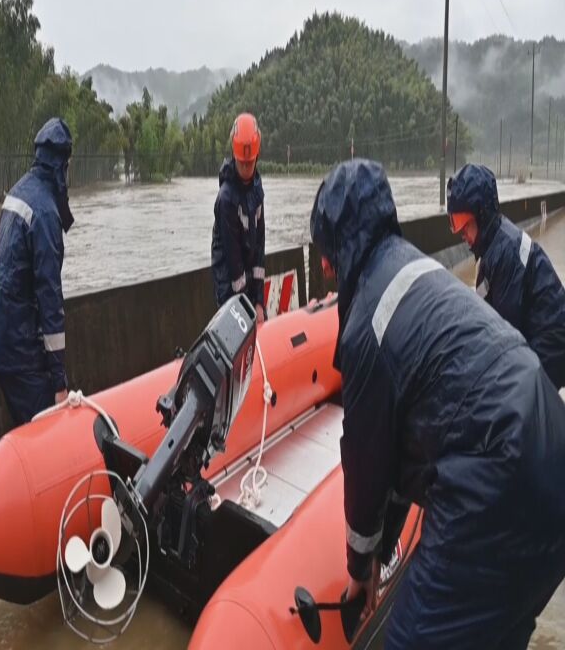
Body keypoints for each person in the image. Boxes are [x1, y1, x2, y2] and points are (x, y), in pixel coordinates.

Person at [309, 159, 565, 649]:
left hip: (497, 481)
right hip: (552, 461)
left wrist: (361, 567)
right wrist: (388, 549)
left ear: (346, 243)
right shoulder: (421, 272)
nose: (324, 266)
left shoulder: (367, 327)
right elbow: (414, 444)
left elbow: (367, 465)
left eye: (328, 250)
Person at [0, 118, 74, 426]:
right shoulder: (46, 213)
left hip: (0, 346)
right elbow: (50, 300)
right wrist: (60, 382)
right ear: (62, 166)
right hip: (22, 354)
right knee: (45, 435)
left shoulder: (17, 193)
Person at [447, 163, 565, 388]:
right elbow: (484, 306)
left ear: (482, 214)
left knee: (521, 401)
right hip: (546, 336)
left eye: (465, 225)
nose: (462, 233)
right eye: (457, 226)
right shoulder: (493, 246)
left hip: (550, 343)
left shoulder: (506, 251)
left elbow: (504, 333)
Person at [212, 113, 267, 319]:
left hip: (249, 280)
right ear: (234, 157)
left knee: (261, 321)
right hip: (229, 285)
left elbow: (259, 243)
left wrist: (259, 300)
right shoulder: (226, 199)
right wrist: (246, 305)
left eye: (250, 163)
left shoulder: (257, 189)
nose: (246, 168)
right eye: (242, 163)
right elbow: (233, 260)